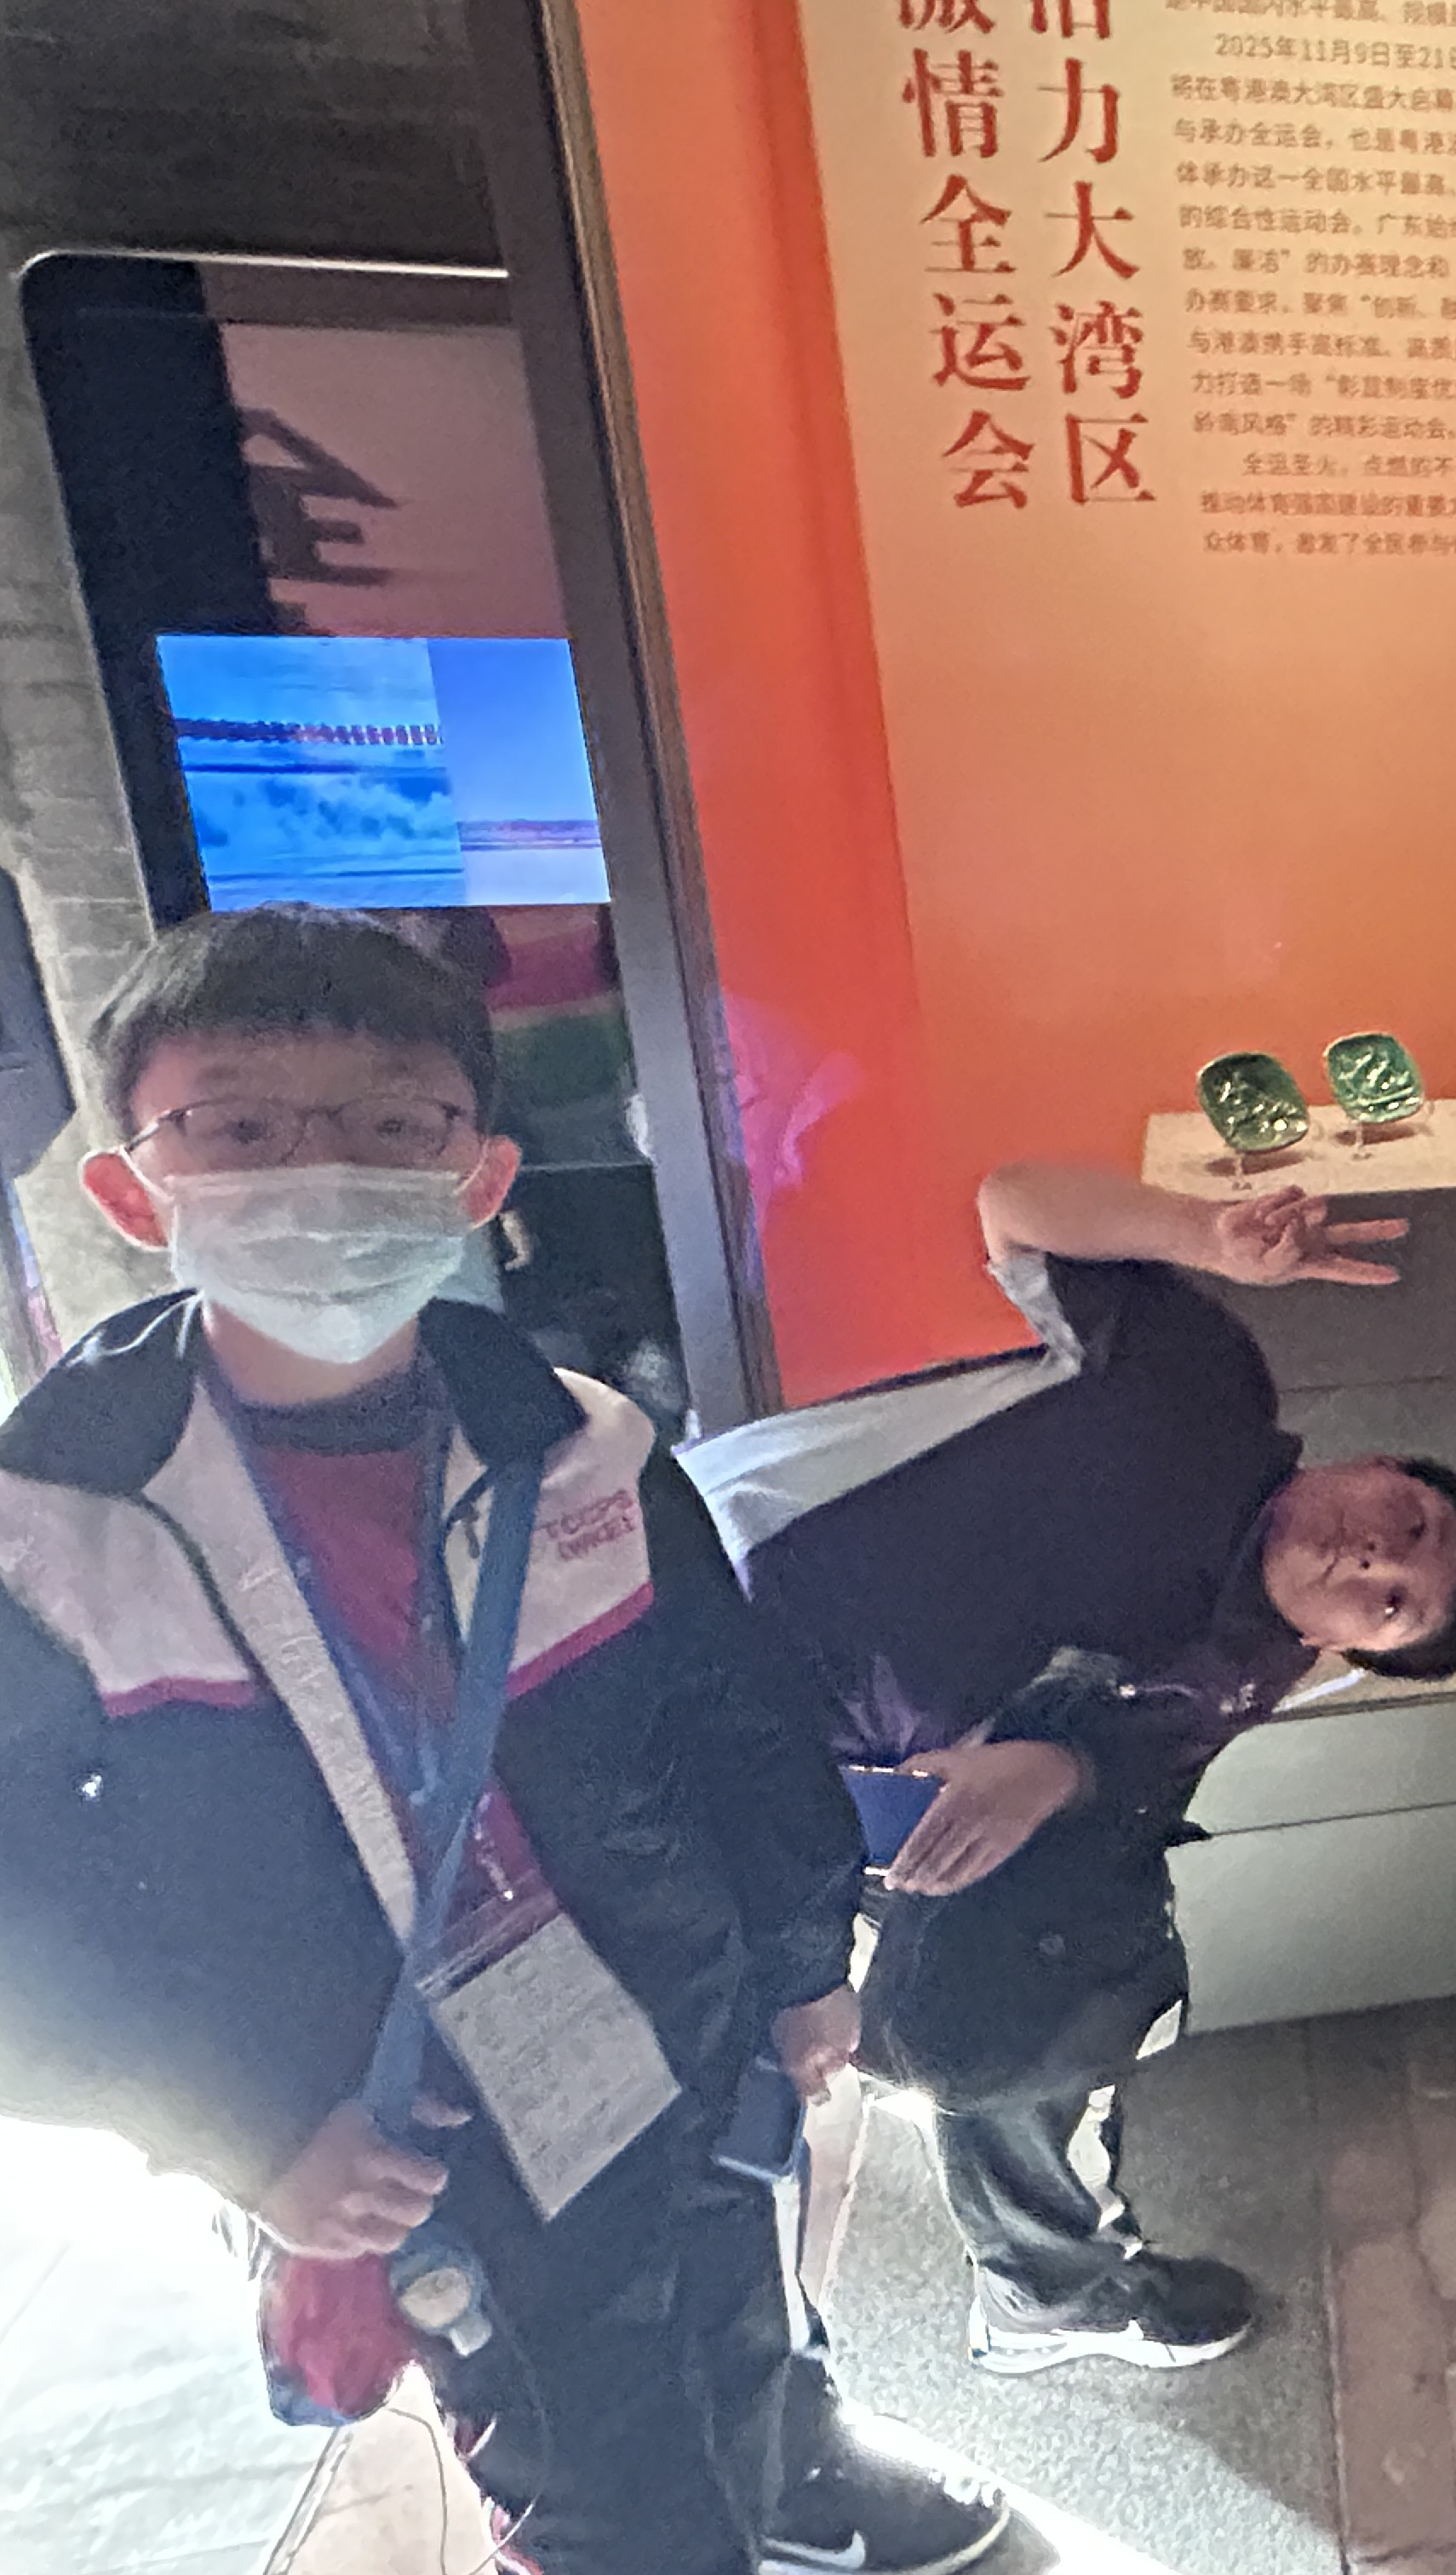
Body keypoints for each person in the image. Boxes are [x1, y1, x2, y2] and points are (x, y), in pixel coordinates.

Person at [0, 905, 992, 2575]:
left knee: (739, 2287)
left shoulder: (582, 1445)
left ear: (478, 1178)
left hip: (668, 2008)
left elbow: (733, 1714)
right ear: (128, 1186)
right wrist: (237, 2127)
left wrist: (800, 1958)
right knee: (594, 2461)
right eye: (239, 1127)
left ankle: (792, 2477)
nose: (321, 1173)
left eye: (392, 1125)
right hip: (390, 2118)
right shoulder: (55, 1529)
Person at [684, 1160, 1456, 2377]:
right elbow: (1013, 1203)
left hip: (783, 1761)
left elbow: (1122, 1783)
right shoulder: (1207, 1389)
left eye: (1393, 1604)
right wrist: (1208, 1234)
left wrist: (1049, 1771)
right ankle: (1027, 2281)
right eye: (1413, 1521)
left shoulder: (1241, 1673)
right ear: (1381, 1460)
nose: (1374, 1557)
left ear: (1352, 1651)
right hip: (723, 1552)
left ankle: (996, 2295)